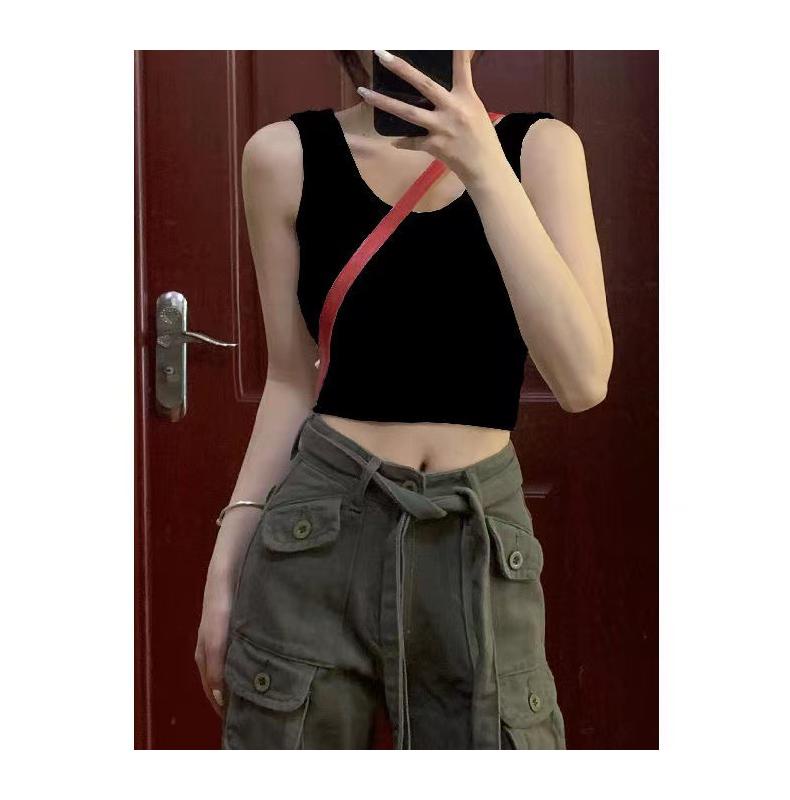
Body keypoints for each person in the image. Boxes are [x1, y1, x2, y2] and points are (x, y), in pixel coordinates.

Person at [195, 50, 613, 749]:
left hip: (478, 531)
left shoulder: (541, 150)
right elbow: (290, 379)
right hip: (318, 533)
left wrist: (483, 165)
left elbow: (582, 380)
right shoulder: (282, 156)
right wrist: (226, 558)